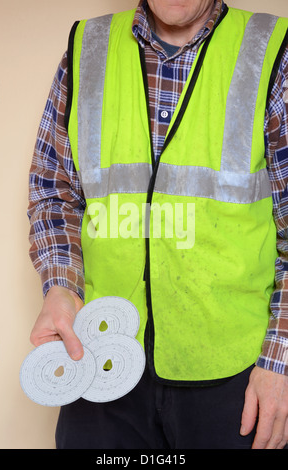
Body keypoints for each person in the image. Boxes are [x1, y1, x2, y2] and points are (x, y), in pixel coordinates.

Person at [27, 0, 288, 449]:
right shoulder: (87, 47)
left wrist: (281, 364)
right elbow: (54, 191)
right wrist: (61, 287)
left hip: (236, 376)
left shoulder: (272, 48)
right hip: (98, 359)